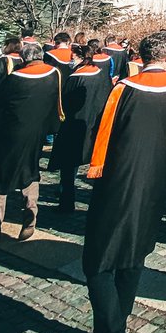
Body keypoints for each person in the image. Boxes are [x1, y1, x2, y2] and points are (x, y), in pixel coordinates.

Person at [83, 31, 166, 333]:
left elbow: (103, 133)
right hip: (154, 181)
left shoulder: (123, 89)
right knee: (133, 256)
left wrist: (96, 166)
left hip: (117, 180)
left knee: (97, 262)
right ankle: (116, 327)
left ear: (141, 56)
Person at [0, 42, 63, 242]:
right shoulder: (54, 74)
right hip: (37, 133)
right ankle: (30, 216)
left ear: (23, 58)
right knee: (30, 172)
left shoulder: (14, 79)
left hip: (10, 133)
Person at [50, 41, 112, 213]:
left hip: (73, 126)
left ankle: (66, 200)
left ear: (79, 58)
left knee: (69, 166)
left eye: (73, 57)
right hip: (95, 126)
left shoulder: (75, 78)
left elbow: (64, 104)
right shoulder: (102, 75)